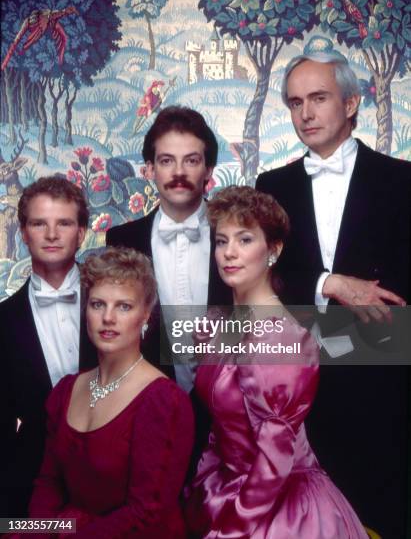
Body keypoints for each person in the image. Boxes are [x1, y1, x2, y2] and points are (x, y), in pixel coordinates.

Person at [255, 49, 411, 537]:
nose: (305, 113)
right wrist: (331, 283)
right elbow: (266, 281)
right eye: (296, 102)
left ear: (350, 103)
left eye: (318, 98)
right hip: (299, 396)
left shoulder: (402, 182)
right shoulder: (271, 185)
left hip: (382, 393)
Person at [184, 186, 367, 538]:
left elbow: (274, 459)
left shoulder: (282, 339)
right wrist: (204, 493)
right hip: (226, 493)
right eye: (221, 241)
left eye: (245, 239)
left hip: (280, 511)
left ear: (273, 250)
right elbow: (219, 429)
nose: (229, 253)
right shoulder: (222, 323)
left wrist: (232, 528)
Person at [28, 247, 194, 537]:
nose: (108, 317)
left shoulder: (164, 401)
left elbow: (147, 513)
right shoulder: (66, 390)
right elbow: (48, 484)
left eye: (124, 306)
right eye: (97, 304)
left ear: (146, 315)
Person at [107, 105, 231, 391]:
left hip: (231, 405)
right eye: (166, 161)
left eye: (191, 161)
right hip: (152, 405)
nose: (178, 172)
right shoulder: (121, 241)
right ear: (149, 169)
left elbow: (263, 316)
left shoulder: (238, 235)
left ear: (209, 169)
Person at [0, 176, 96, 517]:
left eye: (64, 223)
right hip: (32, 487)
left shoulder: (117, 300)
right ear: (24, 233)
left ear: (81, 232)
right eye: (40, 223)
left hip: (114, 481)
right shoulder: (4, 320)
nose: (52, 234)